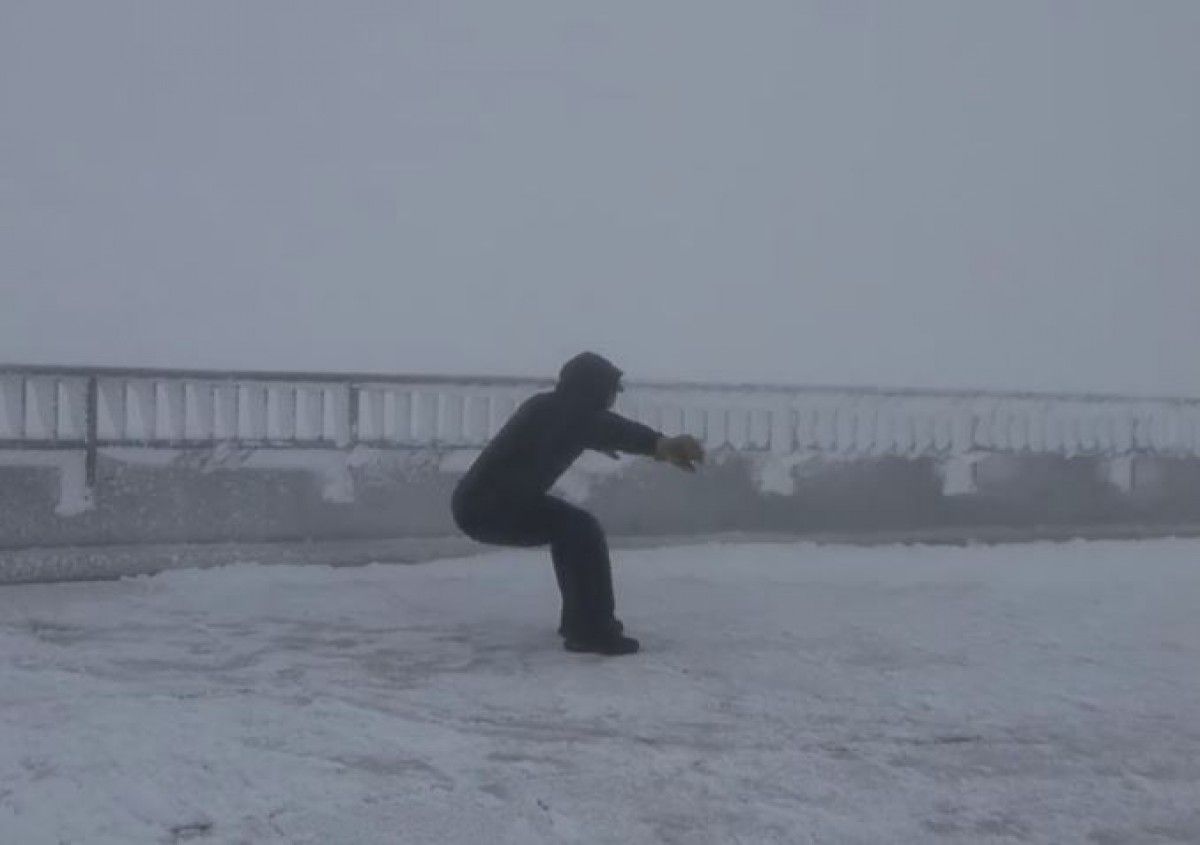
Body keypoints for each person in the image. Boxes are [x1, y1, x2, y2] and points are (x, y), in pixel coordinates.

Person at [450, 352, 705, 655]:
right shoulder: (566, 412)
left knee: (573, 532)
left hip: (488, 504)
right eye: (612, 391)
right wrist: (660, 444)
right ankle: (590, 630)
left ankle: (581, 622)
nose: (613, 399)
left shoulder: (553, 408)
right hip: (489, 508)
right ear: (595, 388)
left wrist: (644, 444)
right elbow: (606, 428)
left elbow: (598, 428)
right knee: (580, 531)